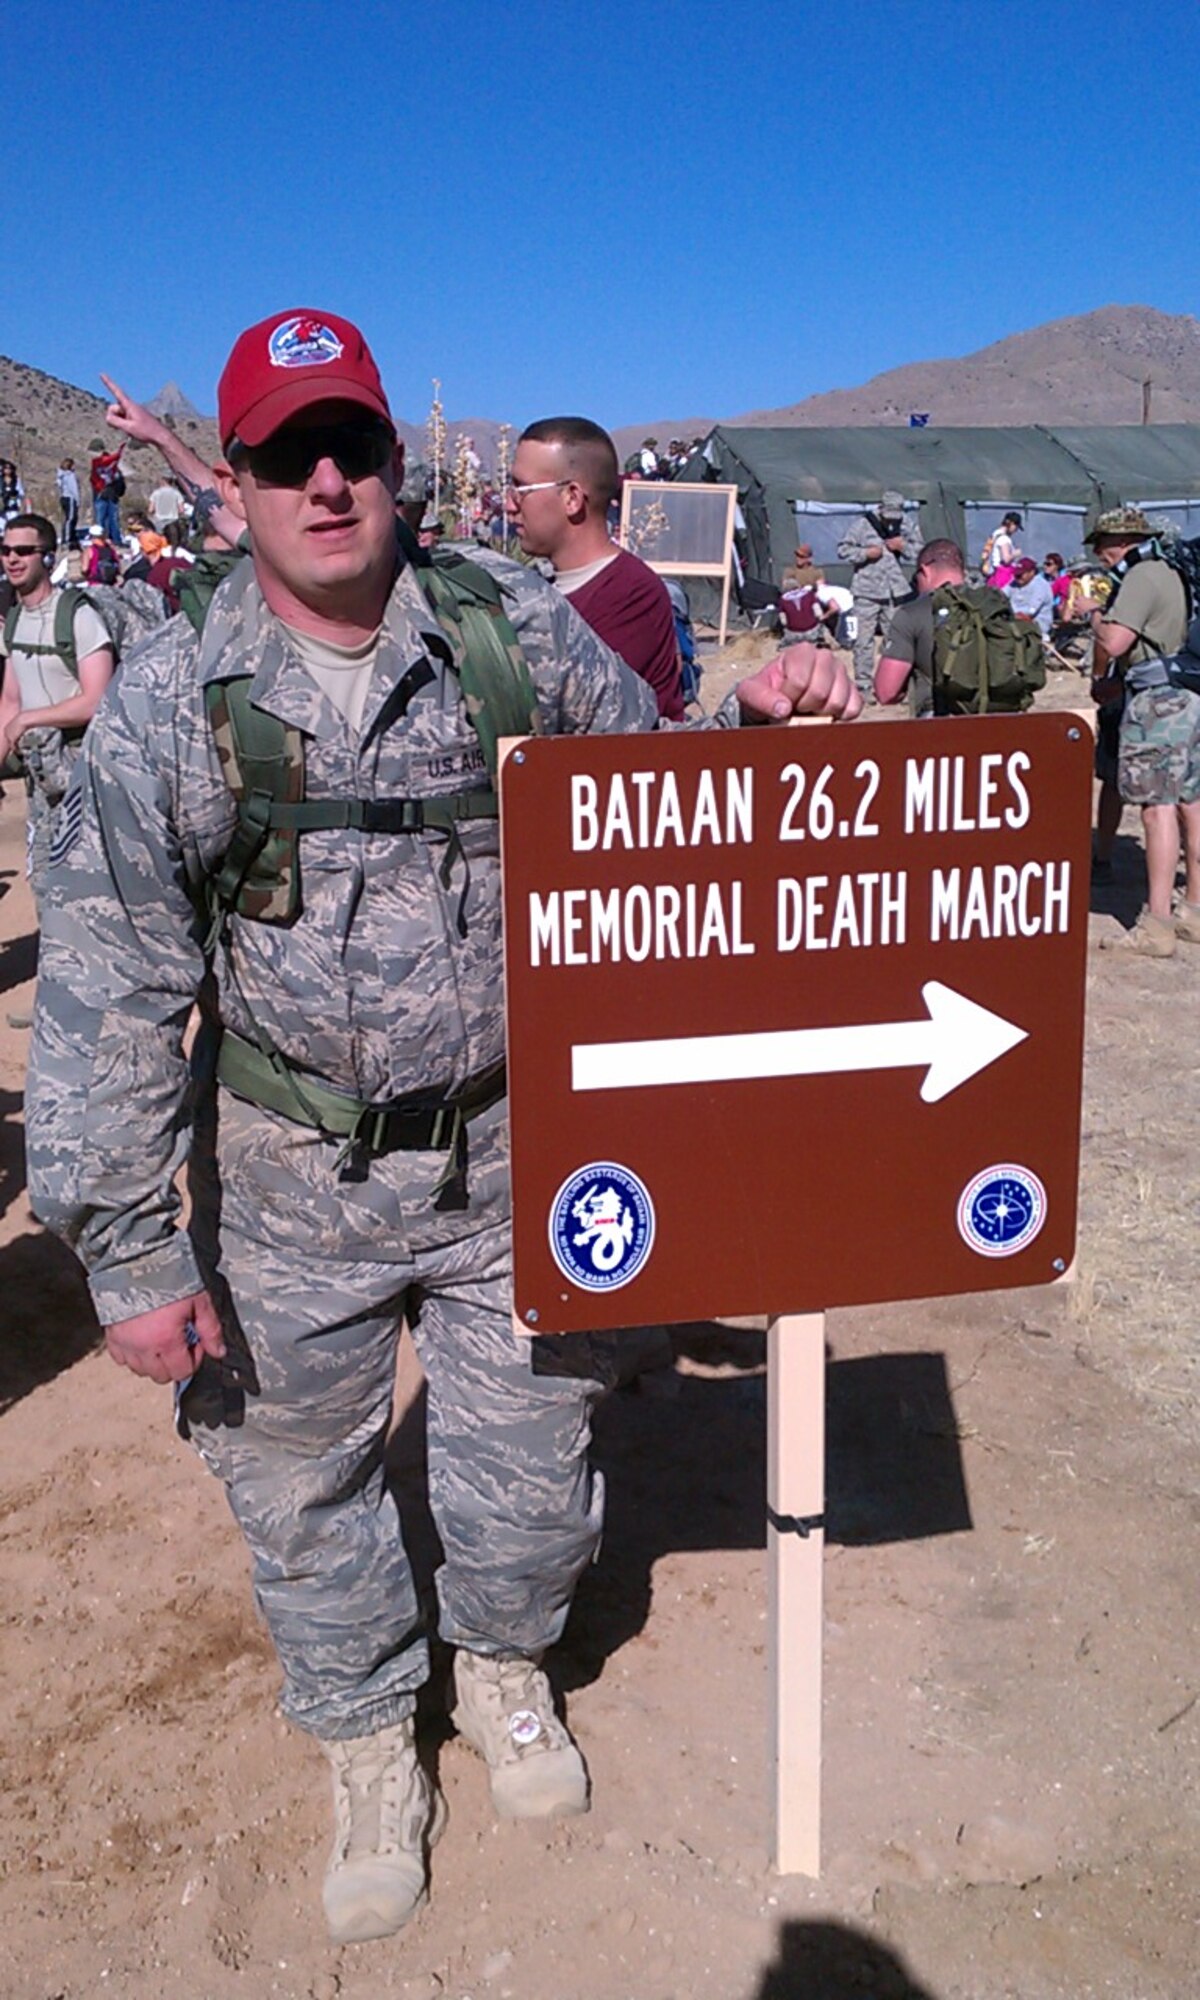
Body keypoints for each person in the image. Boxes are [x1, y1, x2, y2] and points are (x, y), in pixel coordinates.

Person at [24, 306, 860, 1948]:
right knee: (302, 1495)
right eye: (284, 452)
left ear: (398, 466)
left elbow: (652, 805)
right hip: (278, 1194)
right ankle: (362, 1743)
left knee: (532, 1489)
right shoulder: (178, 686)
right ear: (242, 478)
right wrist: (125, 1250)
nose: (324, 481)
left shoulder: (515, 639)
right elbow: (110, 983)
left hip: (506, 1171)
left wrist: (759, 731)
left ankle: (503, 1670)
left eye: (354, 446)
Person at [506, 416, 685, 720]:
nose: (510, 505)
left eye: (522, 490)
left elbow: (557, 710)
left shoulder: (629, 595)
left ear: (572, 498)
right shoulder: (541, 585)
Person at [1086, 508, 1198, 955]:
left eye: (1103, 545)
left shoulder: (1141, 576)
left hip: (1158, 701)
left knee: (1157, 807)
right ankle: (1192, 908)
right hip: (1189, 692)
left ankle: (1157, 924)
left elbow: (1115, 643)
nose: (1100, 555)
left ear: (1123, 541)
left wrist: (1094, 617)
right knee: (1191, 800)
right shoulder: (1176, 572)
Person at [0, 513, 115, 915]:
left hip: (85, 774)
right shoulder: (14, 621)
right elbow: (10, 701)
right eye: (6, 550)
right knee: (45, 882)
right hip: (40, 778)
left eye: (24, 551)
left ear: (48, 557)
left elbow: (97, 698)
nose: (12, 559)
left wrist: (31, 719)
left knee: (91, 885)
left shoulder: (78, 616)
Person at [837, 490, 920, 700]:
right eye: (888, 514)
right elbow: (843, 550)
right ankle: (864, 687)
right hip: (866, 592)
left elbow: (921, 552)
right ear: (881, 509)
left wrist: (904, 547)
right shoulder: (863, 525)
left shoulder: (907, 524)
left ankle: (896, 686)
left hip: (895, 593)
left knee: (898, 641)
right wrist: (865, 553)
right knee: (863, 641)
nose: (892, 520)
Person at [1004, 555, 1054, 637]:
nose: (1017, 577)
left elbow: (1029, 612)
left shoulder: (1040, 586)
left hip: (1038, 624)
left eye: (1021, 574)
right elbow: (1001, 594)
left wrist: (1009, 614)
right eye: (1016, 574)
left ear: (1032, 572)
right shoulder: (1014, 583)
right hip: (1015, 620)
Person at [56, 459, 81, 546]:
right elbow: (74, 489)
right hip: (70, 498)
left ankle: (71, 536)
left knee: (69, 518)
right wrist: (78, 500)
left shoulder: (61, 476)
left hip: (63, 497)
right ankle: (67, 538)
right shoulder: (70, 476)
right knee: (70, 518)